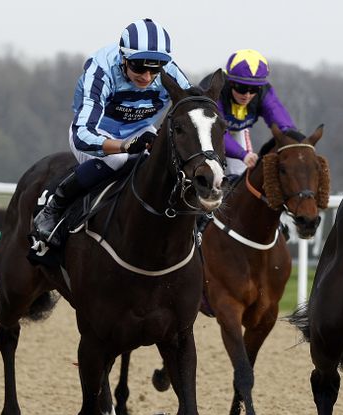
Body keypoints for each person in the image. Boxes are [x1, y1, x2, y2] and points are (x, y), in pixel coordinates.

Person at [32, 18, 193, 246]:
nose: (146, 77)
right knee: (118, 159)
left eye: (154, 68)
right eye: (138, 67)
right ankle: (54, 207)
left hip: (142, 129)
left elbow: (194, 110)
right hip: (98, 132)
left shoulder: (170, 74)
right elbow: (83, 135)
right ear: (123, 57)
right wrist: (124, 145)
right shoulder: (101, 71)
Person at [199, 49, 296, 181]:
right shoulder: (216, 88)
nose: (247, 95)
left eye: (254, 89)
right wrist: (242, 154)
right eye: (242, 88)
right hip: (204, 131)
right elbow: (215, 132)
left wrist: (294, 141)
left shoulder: (264, 92)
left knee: (240, 175)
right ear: (231, 82)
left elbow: (282, 122)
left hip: (236, 131)